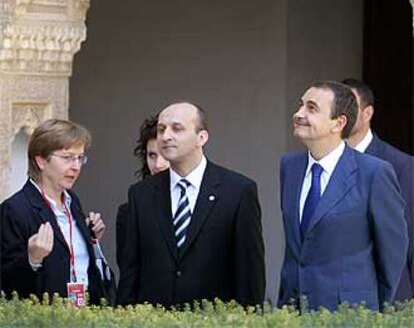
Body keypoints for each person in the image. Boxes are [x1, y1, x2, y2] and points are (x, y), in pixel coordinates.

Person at [117, 101, 265, 308]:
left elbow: (250, 275)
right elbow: (130, 273)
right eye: (161, 130)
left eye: (177, 128)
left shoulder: (238, 191)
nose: (166, 136)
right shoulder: (141, 195)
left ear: (201, 137)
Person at [278, 81, 408, 312]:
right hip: (293, 311)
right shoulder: (290, 166)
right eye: (300, 105)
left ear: (338, 123)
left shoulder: (374, 172)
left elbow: (393, 252)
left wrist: (373, 310)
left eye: (311, 108)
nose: (298, 114)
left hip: (350, 314)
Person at [1, 119, 107, 305]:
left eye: (80, 158)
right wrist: (32, 259)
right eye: (67, 157)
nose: (76, 166)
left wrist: (92, 239)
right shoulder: (15, 209)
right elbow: (6, 282)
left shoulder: (73, 202)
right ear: (41, 160)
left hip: (85, 315)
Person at [343, 77, 414, 301]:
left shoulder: (400, 165)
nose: (342, 114)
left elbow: (407, 237)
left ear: (368, 113)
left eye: (350, 106)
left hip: (385, 300)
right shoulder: (318, 163)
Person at [116, 115, 170, 268]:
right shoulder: (130, 211)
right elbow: (128, 272)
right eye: (152, 155)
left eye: (165, 155)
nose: (159, 164)